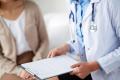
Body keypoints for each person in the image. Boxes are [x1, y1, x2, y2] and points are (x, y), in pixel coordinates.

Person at [48, 0, 120, 80]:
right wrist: (66, 47)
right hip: (85, 69)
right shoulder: (74, 4)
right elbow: (83, 40)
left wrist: (93, 66)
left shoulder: (112, 2)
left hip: (111, 73)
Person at [0, 0, 48, 80]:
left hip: (37, 60)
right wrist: (19, 71)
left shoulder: (32, 7)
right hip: (10, 68)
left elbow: (44, 40)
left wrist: (37, 62)